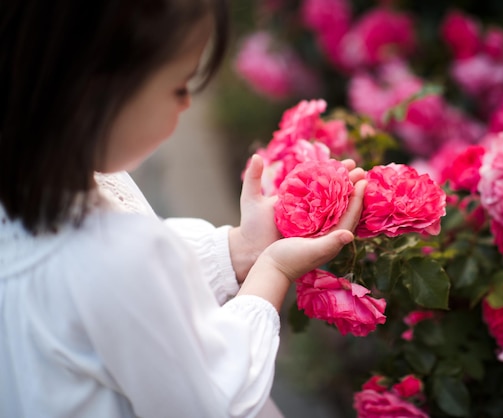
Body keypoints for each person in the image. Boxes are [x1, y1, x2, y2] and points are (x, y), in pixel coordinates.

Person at [0, 1, 366, 417]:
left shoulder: (46, 190)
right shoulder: (119, 256)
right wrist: (273, 271)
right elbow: (218, 398)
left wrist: (238, 249)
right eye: (179, 86)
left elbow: (132, 301)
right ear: (97, 93)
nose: (186, 105)